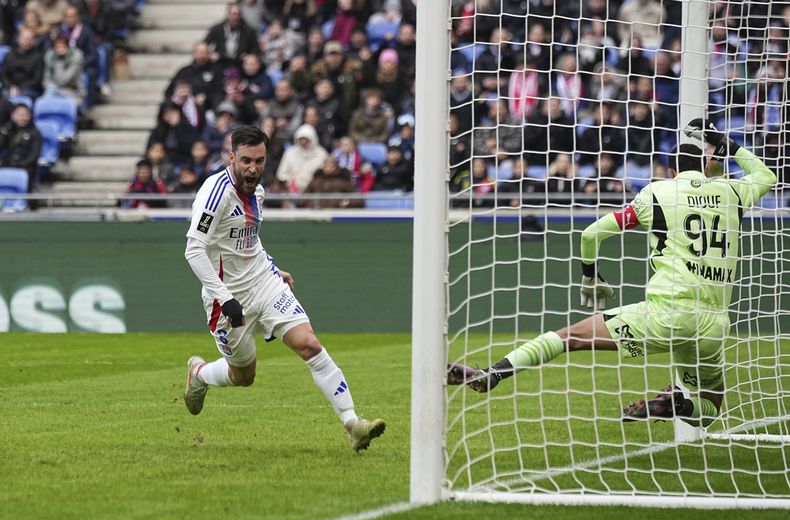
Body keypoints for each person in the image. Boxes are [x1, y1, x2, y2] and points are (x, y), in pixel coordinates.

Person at [448, 120, 778, 428]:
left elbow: (591, 234)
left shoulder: (656, 194)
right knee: (711, 410)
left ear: (668, 170)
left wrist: (591, 277)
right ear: (707, 167)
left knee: (569, 338)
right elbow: (766, 177)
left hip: (666, 314)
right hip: (712, 324)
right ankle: (678, 407)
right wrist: (725, 144)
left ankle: (494, 373)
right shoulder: (731, 192)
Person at [183, 126, 386, 452]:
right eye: (246, 160)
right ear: (231, 157)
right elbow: (194, 249)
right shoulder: (216, 193)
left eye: (259, 161)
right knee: (243, 376)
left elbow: (249, 239)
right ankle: (201, 374)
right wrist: (226, 298)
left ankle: (353, 424)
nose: (253, 168)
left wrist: (273, 267)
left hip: (264, 282)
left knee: (310, 345)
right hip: (227, 298)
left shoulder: (258, 192)